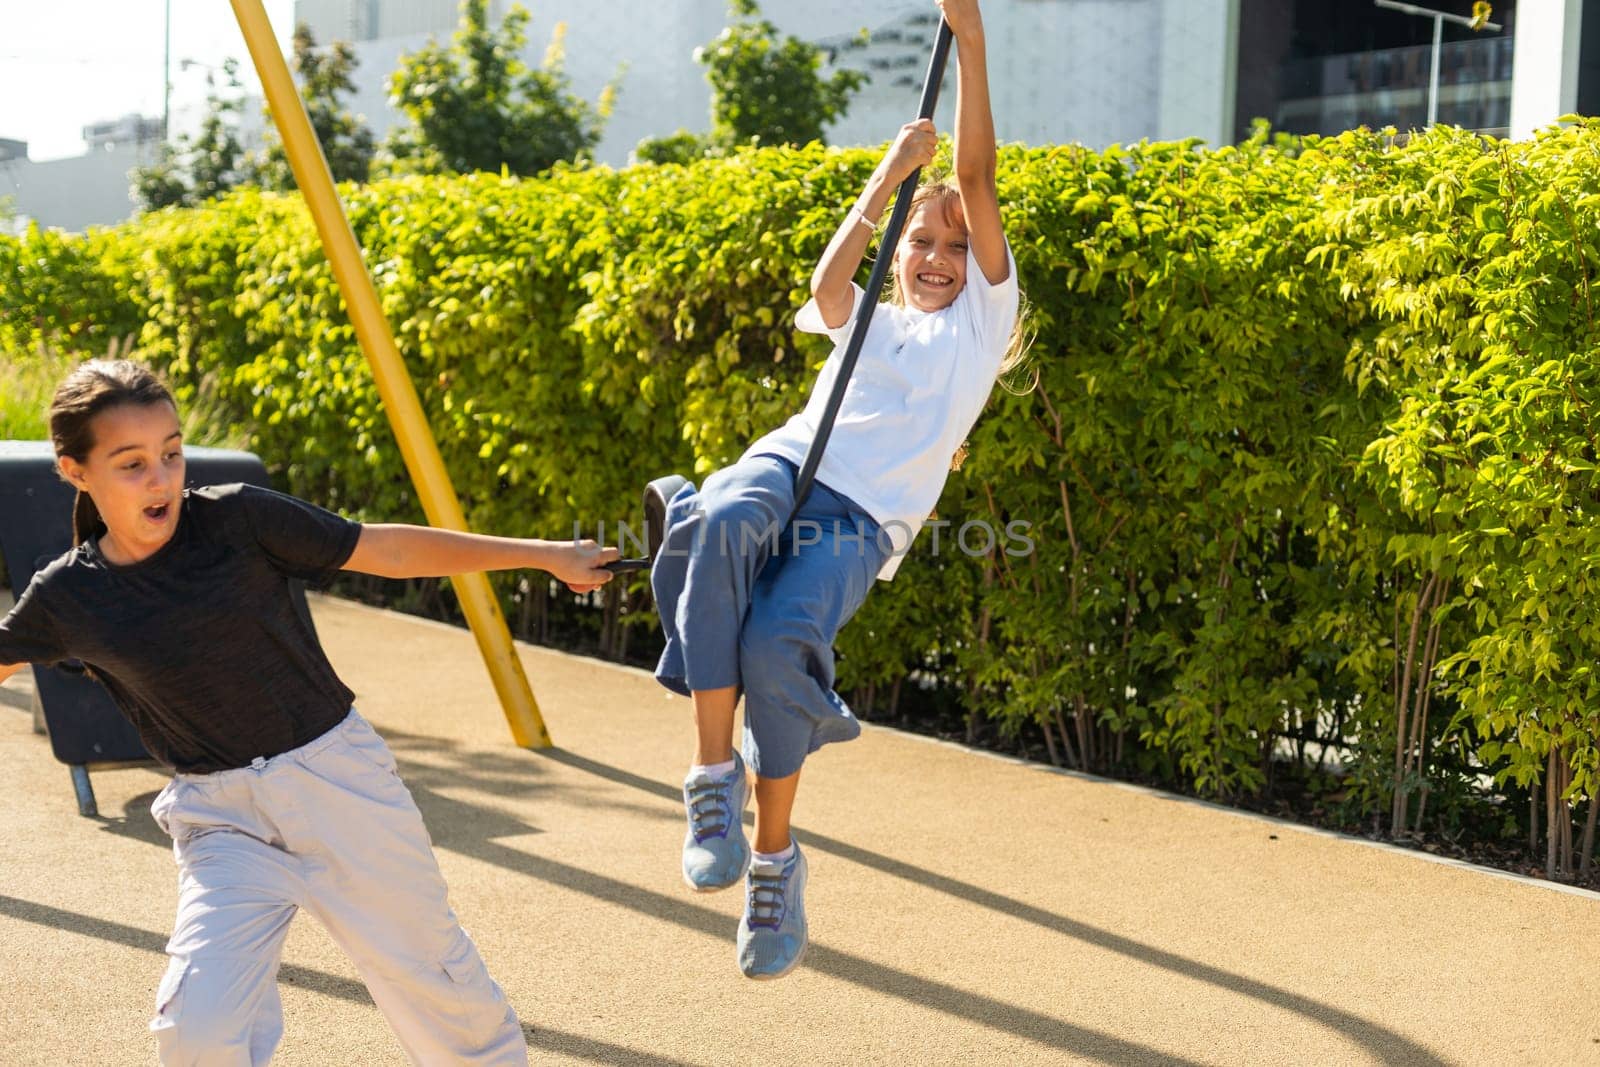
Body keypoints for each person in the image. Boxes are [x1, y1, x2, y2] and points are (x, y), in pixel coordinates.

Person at [0, 359, 618, 1065]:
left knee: (449, 1005)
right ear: (75, 470)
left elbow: (381, 546)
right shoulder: (68, 597)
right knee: (194, 1031)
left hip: (338, 788)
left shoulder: (238, 518)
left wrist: (544, 557)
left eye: (171, 453)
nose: (162, 478)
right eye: (132, 463)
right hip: (222, 819)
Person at [650, 0, 1023, 980]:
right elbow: (825, 289)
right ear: (901, 251)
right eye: (922, 243)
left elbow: (977, 178)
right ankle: (708, 776)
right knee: (726, 515)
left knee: (779, 644)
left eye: (951, 245)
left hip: (859, 518)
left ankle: (773, 863)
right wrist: (887, 178)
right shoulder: (871, 318)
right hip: (788, 459)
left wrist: (972, 44)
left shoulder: (977, 325)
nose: (937, 260)